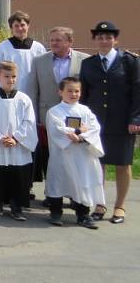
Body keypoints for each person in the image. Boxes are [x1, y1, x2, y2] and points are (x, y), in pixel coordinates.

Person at [79, 21, 140, 224]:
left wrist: (135, 119)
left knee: (123, 164)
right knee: (98, 165)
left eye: (108, 37)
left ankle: (120, 206)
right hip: (96, 124)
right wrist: (82, 122)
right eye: (100, 37)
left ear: (116, 40)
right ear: (95, 40)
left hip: (122, 122)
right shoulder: (88, 64)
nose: (104, 41)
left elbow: (137, 93)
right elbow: (83, 96)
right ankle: (100, 204)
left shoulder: (130, 61)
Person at [24, 26, 88, 199]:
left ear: (70, 42)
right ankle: (52, 195)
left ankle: (74, 195)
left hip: (74, 117)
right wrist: (34, 117)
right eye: (52, 40)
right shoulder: (39, 60)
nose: (53, 43)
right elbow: (33, 90)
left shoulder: (84, 61)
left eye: (58, 40)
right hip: (48, 118)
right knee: (50, 157)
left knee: (73, 156)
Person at [0, 62, 38, 221]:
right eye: (6, 76)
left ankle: (16, 207)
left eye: (13, 77)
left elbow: (29, 122)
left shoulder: (24, 99)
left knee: (17, 177)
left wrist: (16, 138)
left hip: (17, 147)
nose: (10, 80)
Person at [45, 77, 105, 229]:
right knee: (59, 181)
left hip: (82, 156)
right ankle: (56, 212)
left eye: (77, 91)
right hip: (62, 154)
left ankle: (83, 214)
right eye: (69, 91)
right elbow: (59, 130)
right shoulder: (54, 112)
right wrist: (79, 131)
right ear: (60, 92)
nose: (73, 94)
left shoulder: (85, 111)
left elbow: (94, 127)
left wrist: (81, 138)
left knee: (82, 182)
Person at [0, 10, 46, 93]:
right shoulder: (2, 48)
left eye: (22, 25)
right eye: (16, 26)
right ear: (11, 28)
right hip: (9, 93)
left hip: (32, 93)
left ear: (28, 26)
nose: (20, 28)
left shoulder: (38, 48)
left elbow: (43, 73)